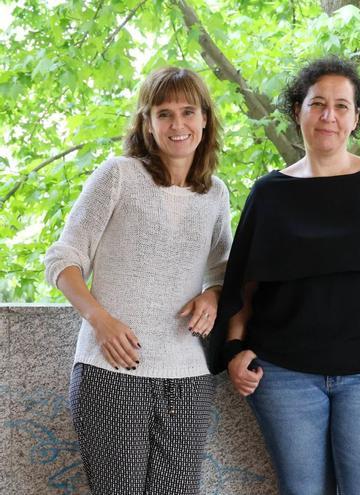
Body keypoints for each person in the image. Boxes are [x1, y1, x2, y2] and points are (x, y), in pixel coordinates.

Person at [207, 56, 360, 495]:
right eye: (317, 104)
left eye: (342, 106)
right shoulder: (269, 194)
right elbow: (244, 286)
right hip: (283, 376)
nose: (329, 116)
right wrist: (234, 349)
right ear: (298, 112)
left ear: (356, 118)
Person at [44, 67, 231, 494]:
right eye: (163, 113)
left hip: (188, 375)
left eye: (188, 111)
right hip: (111, 371)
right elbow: (62, 259)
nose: (177, 124)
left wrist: (214, 295)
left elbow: (222, 270)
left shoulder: (215, 193)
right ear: (146, 123)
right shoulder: (118, 176)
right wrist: (100, 320)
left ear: (205, 119)